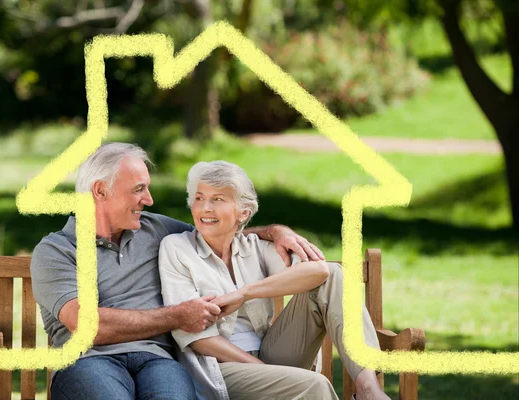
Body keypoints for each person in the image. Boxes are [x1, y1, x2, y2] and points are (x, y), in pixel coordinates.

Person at [30, 143, 325, 400]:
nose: (149, 199)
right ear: (100, 191)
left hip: (158, 361)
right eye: (138, 190)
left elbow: (218, 230)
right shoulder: (57, 250)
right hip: (88, 361)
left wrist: (275, 231)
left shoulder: (154, 229)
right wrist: (177, 315)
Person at [159, 160, 390, 400]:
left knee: (335, 276)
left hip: (271, 353)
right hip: (218, 368)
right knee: (315, 385)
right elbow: (196, 338)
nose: (205, 208)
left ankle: (368, 389)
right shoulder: (177, 248)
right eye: (199, 198)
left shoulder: (255, 247)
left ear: (244, 212)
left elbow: (321, 272)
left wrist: (246, 292)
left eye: (217, 199)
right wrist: (265, 371)